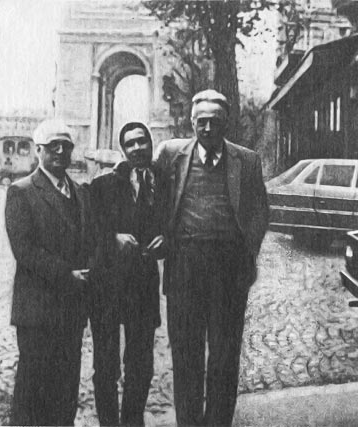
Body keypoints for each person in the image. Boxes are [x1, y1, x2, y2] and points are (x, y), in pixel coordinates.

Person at [155, 89, 269, 427]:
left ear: (226, 124)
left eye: (214, 122)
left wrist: (248, 251)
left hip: (228, 269)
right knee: (186, 355)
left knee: (224, 354)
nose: (207, 128)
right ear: (192, 123)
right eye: (201, 121)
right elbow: (151, 192)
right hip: (185, 266)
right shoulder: (171, 155)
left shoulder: (247, 161)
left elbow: (260, 211)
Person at [5, 118, 93, 426]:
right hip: (37, 311)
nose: (59, 152)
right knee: (32, 394)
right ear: (38, 150)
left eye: (65, 146)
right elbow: (25, 250)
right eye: (52, 146)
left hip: (71, 310)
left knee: (65, 392)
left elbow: (89, 240)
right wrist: (67, 276)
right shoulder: (22, 191)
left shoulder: (80, 193)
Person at [88, 122, 168, 426]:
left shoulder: (165, 183)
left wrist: (167, 240)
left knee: (141, 364)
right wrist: (113, 238)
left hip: (143, 285)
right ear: (123, 150)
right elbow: (89, 230)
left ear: (150, 143)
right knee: (106, 366)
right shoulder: (103, 185)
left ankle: (132, 421)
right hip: (107, 285)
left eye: (141, 141)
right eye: (130, 144)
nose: (137, 148)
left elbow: (174, 221)